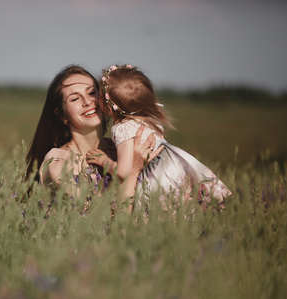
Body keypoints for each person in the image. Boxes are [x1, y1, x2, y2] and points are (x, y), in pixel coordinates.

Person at [86, 64, 231, 209]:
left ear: (109, 107)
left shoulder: (122, 129)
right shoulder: (150, 121)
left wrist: (104, 161)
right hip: (175, 167)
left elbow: (124, 172)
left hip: (157, 177)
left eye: (98, 96)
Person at [25, 65, 160, 201]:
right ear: (61, 115)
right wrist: (133, 172)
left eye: (91, 93)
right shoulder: (58, 163)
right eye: (75, 99)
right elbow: (102, 217)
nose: (87, 102)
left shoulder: (121, 148)